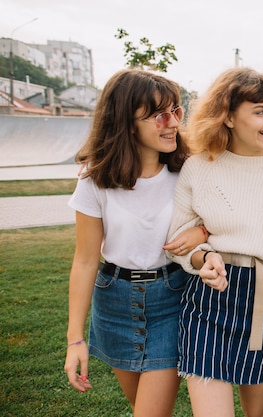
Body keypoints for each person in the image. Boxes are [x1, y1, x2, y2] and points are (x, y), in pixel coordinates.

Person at [165, 67, 263, 417]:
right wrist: (206, 259)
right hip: (207, 303)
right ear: (229, 116)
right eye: (261, 111)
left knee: (259, 413)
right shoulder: (197, 167)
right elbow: (180, 240)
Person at [63, 69, 208, 417]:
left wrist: (201, 233)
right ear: (128, 123)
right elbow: (84, 261)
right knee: (141, 407)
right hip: (113, 302)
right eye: (160, 115)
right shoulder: (94, 179)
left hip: (171, 299)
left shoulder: (188, 171)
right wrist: (74, 340)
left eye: (176, 112)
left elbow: (224, 222)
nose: (172, 123)